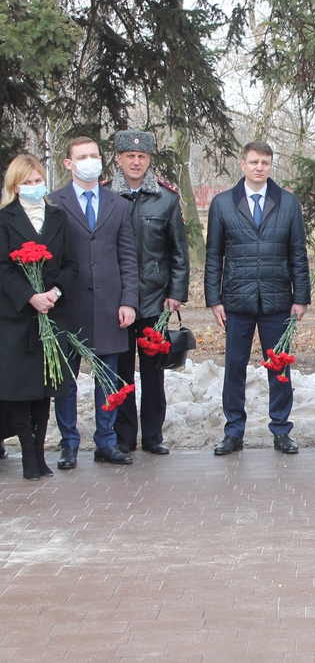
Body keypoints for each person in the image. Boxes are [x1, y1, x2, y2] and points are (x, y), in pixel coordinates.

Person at [205, 140, 311, 456]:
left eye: (265, 162)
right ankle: (234, 431)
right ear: (242, 164)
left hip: (277, 300)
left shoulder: (288, 203)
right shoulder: (223, 204)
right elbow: (214, 255)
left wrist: (301, 297)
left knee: (278, 367)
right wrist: (214, 298)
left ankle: (281, 430)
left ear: (270, 165)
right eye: (254, 162)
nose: (259, 168)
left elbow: (298, 254)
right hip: (236, 300)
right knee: (234, 367)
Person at [49, 137, 139, 469]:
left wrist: (129, 300)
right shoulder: (54, 202)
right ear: (68, 164)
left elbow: (128, 258)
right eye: (82, 157)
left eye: (95, 156)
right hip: (67, 308)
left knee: (108, 381)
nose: (90, 161)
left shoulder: (118, 204)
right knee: (66, 383)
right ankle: (69, 443)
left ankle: (106, 441)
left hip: (108, 306)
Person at [108, 130, 189, 456]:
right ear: (118, 159)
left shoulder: (166, 199)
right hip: (117, 301)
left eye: (142, 157)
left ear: (149, 160)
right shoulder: (106, 198)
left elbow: (178, 253)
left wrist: (176, 293)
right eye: (130, 156)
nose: (136, 161)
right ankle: (125, 436)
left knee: (154, 374)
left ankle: (153, 436)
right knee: (121, 371)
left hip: (155, 300)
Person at [0, 155, 78, 479]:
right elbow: (3, 268)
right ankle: (28, 455)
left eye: (38, 181)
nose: (34, 187)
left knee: (47, 387)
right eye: (27, 182)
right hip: (17, 317)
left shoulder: (58, 217)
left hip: (53, 313)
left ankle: (41, 453)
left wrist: (54, 294)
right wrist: (30, 296)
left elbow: (72, 264)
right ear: (15, 187)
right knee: (21, 388)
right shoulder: (5, 219)